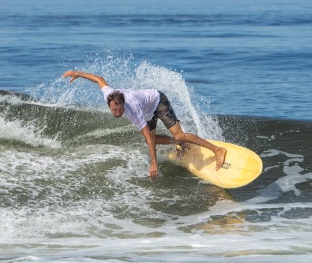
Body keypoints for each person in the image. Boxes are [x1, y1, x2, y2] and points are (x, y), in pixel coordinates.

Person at [62, 70, 227, 180]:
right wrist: (77, 73)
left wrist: (154, 163)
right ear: (110, 105)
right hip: (148, 110)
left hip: (158, 101)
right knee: (156, 140)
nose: (117, 113)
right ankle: (181, 145)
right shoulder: (109, 95)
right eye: (114, 110)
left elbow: (147, 135)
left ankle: (217, 150)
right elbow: (99, 79)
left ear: (124, 105)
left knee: (177, 134)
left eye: (119, 110)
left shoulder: (132, 109)